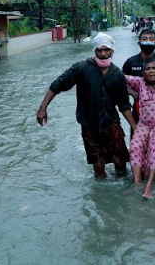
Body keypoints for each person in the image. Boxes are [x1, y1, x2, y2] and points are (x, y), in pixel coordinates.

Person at [37, 32, 137, 178]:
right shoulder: (81, 68)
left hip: (111, 123)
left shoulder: (117, 75)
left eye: (106, 50)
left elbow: (123, 104)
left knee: (120, 161)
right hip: (89, 124)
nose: (103, 54)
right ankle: (101, 195)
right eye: (99, 50)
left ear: (112, 51)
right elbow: (58, 84)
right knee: (98, 164)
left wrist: (135, 127)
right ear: (94, 51)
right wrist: (42, 108)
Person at [125, 58, 155, 199]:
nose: (151, 71)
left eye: (154, 68)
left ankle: (149, 185)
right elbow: (119, 77)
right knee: (135, 147)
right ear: (143, 72)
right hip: (144, 123)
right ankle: (137, 182)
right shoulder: (139, 82)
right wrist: (133, 94)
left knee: (154, 146)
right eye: (147, 69)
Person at [122, 29, 155, 161]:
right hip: (138, 113)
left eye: (151, 38)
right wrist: (134, 93)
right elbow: (120, 82)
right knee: (137, 151)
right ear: (139, 43)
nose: (147, 41)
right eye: (144, 38)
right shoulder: (130, 63)